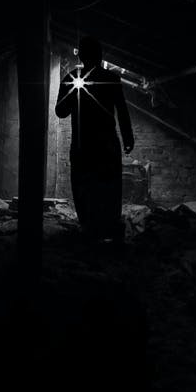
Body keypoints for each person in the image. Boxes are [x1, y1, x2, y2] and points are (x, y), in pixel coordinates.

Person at [55, 37, 134, 243]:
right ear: (101, 56)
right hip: (106, 145)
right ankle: (105, 230)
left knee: (85, 188)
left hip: (84, 146)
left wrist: (72, 94)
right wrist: (128, 137)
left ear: (80, 55)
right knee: (108, 188)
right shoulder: (111, 79)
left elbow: (60, 111)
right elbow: (123, 112)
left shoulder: (71, 78)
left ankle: (90, 229)